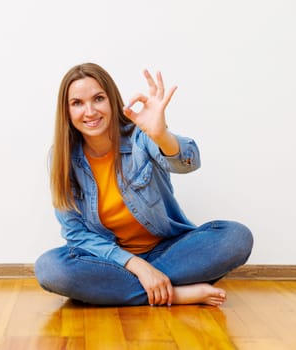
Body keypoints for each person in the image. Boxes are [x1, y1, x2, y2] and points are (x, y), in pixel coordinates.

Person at [34, 63, 253, 306]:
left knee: (236, 237)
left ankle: (136, 290)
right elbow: (75, 233)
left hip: (168, 252)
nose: (90, 111)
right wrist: (136, 265)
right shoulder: (62, 157)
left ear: (112, 100)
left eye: (98, 98)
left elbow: (188, 163)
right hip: (111, 261)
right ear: (66, 111)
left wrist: (161, 136)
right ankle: (176, 293)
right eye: (77, 103)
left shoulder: (140, 136)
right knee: (49, 268)